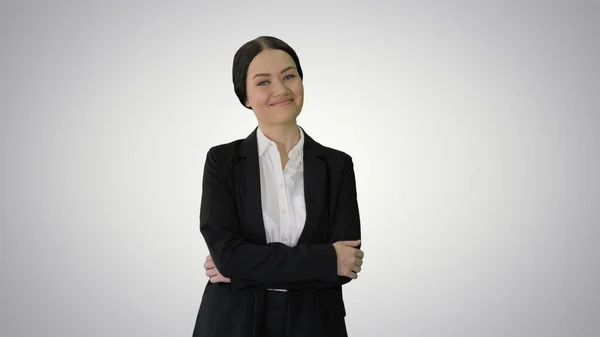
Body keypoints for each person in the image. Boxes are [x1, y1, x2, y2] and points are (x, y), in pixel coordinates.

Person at [192, 36, 363, 337]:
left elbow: (346, 265)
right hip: (233, 324)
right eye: (263, 82)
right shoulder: (222, 161)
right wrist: (325, 259)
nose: (280, 90)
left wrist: (242, 271)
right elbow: (228, 256)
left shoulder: (338, 166)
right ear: (244, 95)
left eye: (289, 76)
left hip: (316, 324)